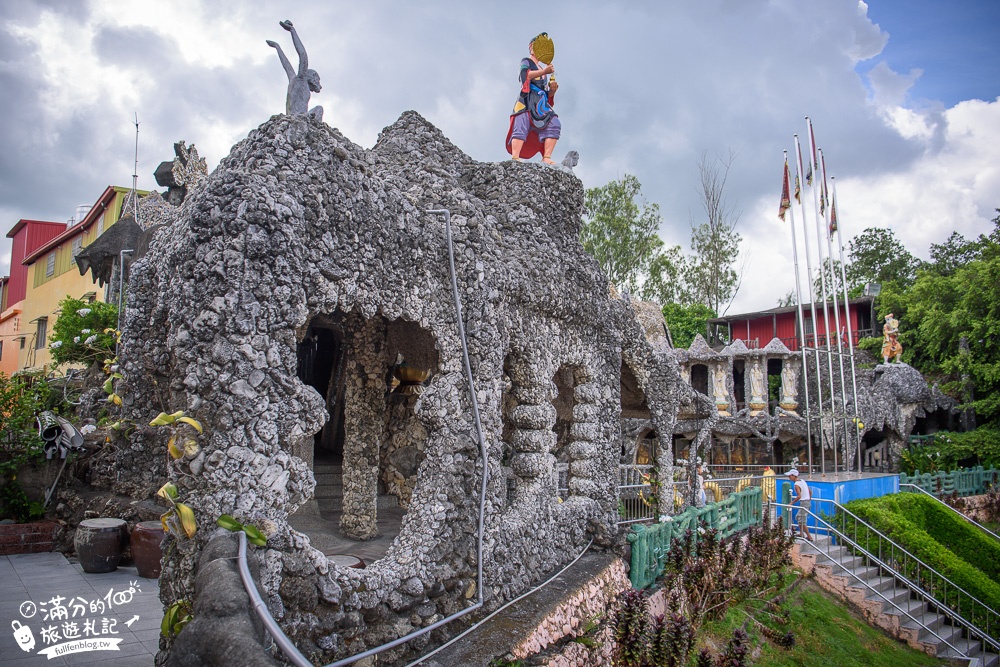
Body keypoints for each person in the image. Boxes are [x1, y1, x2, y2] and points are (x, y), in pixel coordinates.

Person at [506, 34, 561, 164]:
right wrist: (543, 72)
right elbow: (525, 75)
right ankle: (515, 156)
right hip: (527, 100)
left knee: (554, 123)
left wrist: (552, 91)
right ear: (531, 47)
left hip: (541, 104)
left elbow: (546, 93)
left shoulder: (543, 69)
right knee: (521, 125)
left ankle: (546, 157)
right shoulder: (526, 62)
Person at [266, 20, 323, 120]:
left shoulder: (293, 79)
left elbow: (286, 65)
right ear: (312, 78)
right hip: (300, 117)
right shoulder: (301, 79)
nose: (319, 85)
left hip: (292, 116)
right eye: (318, 80)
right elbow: (303, 55)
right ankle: (314, 129)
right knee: (319, 108)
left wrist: (277, 47)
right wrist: (292, 31)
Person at [788, 469, 812, 541]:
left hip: (804, 503)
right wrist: (809, 498)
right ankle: (801, 533)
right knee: (798, 517)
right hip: (806, 502)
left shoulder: (796, 484)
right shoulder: (802, 481)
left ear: (794, 476)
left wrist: (791, 503)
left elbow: (799, 496)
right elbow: (810, 491)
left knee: (802, 521)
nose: (789, 477)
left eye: (790, 476)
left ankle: (809, 536)